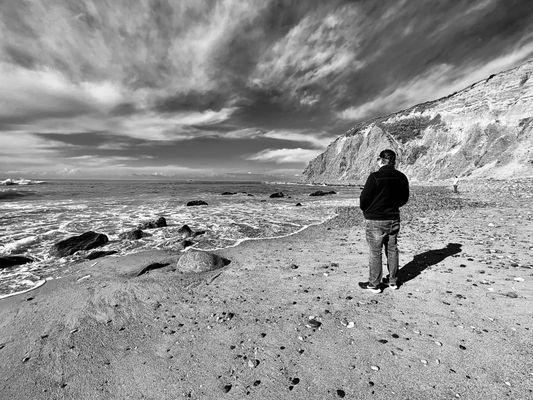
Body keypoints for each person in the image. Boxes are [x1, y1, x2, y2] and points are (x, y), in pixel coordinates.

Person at [358, 149, 409, 293]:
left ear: (381, 160)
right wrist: (392, 206)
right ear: (393, 161)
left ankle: (374, 284)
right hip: (393, 218)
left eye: (378, 159)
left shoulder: (375, 176)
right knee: (392, 249)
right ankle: (393, 281)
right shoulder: (402, 177)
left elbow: (364, 199)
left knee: (375, 252)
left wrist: (368, 210)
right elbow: (404, 198)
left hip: (375, 219)